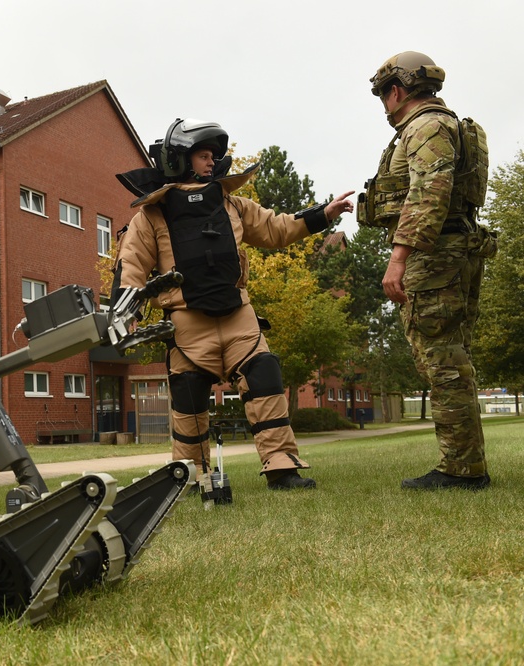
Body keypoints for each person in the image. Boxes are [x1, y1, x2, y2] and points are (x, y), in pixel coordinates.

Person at [114, 119, 353, 490]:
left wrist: (323, 214)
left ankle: (282, 469)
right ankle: (191, 477)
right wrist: (125, 314)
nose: (212, 162)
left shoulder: (233, 205)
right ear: (178, 159)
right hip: (186, 324)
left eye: (213, 156)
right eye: (203, 155)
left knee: (265, 375)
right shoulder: (150, 217)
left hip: (238, 317)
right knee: (188, 399)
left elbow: (277, 228)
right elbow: (131, 266)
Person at [360, 52, 495, 490]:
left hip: (433, 257)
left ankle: (461, 470)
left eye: (383, 95)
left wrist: (398, 258)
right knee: (451, 357)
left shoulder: (425, 127)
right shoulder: (442, 124)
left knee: (442, 361)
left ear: (395, 92)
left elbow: (429, 193)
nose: (384, 105)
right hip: (452, 251)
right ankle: (465, 464)